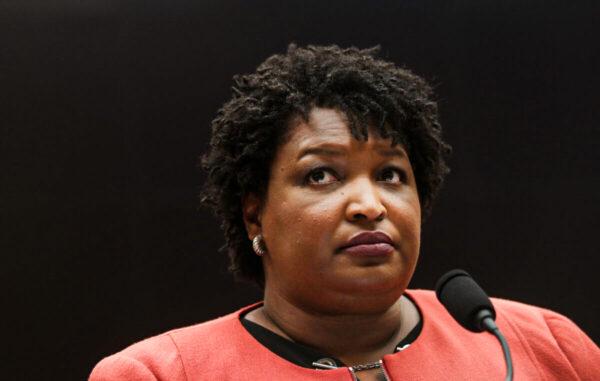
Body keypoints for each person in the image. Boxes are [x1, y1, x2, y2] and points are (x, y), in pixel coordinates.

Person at [90, 44, 599, 381]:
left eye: (390, 175)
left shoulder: (539, 344)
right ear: (254, 216)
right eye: (320, 176)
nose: (370, 204)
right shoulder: (160, 374)